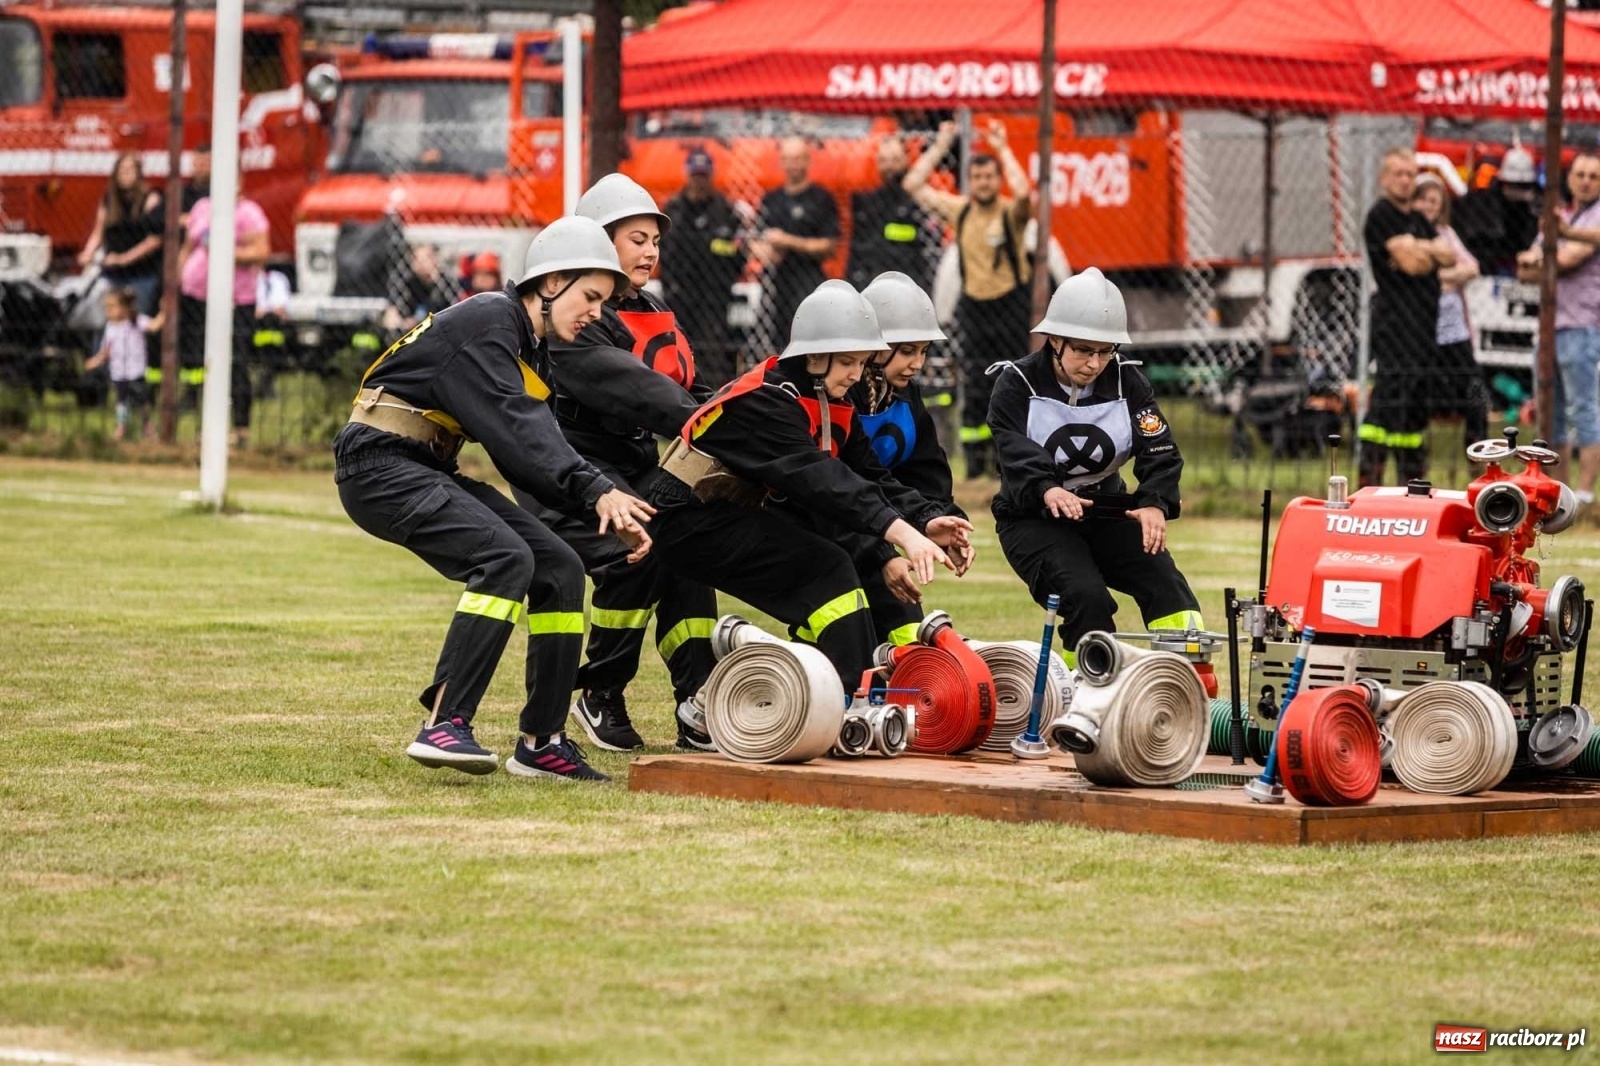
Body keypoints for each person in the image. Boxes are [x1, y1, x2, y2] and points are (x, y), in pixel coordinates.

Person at [333, 215, 656, 783]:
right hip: (379, 465)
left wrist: (597, 510)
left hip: (421, 463)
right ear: (550, 283)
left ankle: (543, 741)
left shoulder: (527, 343)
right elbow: (520, 431)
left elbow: (531, 451)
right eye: (590, 296)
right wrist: (599, 490)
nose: (596, 313)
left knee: (558, 565)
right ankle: (445, 724)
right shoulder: (492, 322)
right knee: (504, 558)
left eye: (604, 302)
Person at [645, 279, 971, 698]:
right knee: (827, 571)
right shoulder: (768, 402)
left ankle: (827, 689)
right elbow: (824, 481)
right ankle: (819, 692)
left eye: (864, 362)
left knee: (832, 572)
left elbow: (870, 476)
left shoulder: (824, 393)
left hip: (729, 511)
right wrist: (901, 534)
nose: (857, 375)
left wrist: (926, 521)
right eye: (850, 362)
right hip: (689, 517)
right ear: (816, 356)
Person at [513, 173, 719, 753]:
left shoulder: (654, 308)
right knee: (638, 548)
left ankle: (698, 699)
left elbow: (691, 387)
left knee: (690, 545)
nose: (651, 251)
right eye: (637, 238)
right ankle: (600, 692)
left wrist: (734, 420)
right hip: (571, 469)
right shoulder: (576, 321)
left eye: (655, 240)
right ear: (599, 245)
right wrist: (719, 429)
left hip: (633, 465)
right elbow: (645, 394)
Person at [988, 268, 1202, 665]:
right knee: (1085, 597)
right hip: (1034, 518)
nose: (1095, 363)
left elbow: (1159, 447)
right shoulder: (1015, 384)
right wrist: (1046, 488)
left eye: (1106, 352)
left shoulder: (1129, 382)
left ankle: (1189, 684)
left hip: (1106, 509)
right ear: (1055, 340)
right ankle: (1083, 695)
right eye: (1084, 350)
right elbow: (1012, 449)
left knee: (1167, 584)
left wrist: (1155, 501)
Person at [904, 119, 1035, 480]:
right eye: (977, 178)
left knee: (1011, 380)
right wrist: (943, 143)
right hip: (974, 307)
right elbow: (913, 185)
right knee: (975, 383)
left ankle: (1007, 458)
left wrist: (1003, 148)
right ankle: (975, 463)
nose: (983, 183)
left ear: (997, 179)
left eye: (989, 177)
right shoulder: (961, 210)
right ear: (970, 182)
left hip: (1009, 304)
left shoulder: (1010, 212)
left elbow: (1026, 194)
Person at [845, 271, 969, 643]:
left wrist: (948, 524)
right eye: (908, 351)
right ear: (875, 346)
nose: (917, 363)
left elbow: (925, 472)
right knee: (845, 623)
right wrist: (882, 555)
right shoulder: (841, 394)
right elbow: (839, 491)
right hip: (831, 532)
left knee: (906, 627)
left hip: (873, 526)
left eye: (923, 351)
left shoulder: (904, 394)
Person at [1358, 147, 1455, 486]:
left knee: (1415, 410)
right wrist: (1424, 253)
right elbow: (1415, 264)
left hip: (1424, 330)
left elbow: (1449, 254)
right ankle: (1369, 483)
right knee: (1387, 402)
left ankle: (1411, 486)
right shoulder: (1381, 216)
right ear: (1384, 178)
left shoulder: (1418, 220)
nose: (1405, 181)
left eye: (1410, 174)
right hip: (1395, 327)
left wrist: (1418, 247)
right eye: (1398, 174)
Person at [1522, 151, 1600, 504]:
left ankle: (1584, 493)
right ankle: (1561, 491)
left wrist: (1552, 248)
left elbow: (1567, 260)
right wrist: (1545, 256)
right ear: (1569, 179)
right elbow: (1525, 267)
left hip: (1582, 325)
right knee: (1550, 410)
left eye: (1594, 176)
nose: (1585, 181)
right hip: (1550, 328)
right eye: (1580, 174)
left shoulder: (1594, 216)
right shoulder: (1566, 215)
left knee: (1583, 408)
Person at [178, 172, 273, 445]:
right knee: (197, 360)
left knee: (236, 361)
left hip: (237, 299)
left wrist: (224, 252)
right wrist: (175, 282)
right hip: (196, 295)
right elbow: (188, 247)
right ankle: (203, 425)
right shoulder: (201, 207)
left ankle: (241, 428)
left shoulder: (249, 213)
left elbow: (261, 252)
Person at [1412, 174, 1489, 445]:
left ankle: (1477, 444)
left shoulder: (1446, 234)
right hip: (1419, 329)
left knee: (1473, 388)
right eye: (1423, 199)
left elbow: (1472, 267)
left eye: (1434, 201)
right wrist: (1441, 276)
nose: (1428, 206)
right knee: (1417, 392)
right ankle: (1415, 448)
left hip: (1453, 329)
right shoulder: (1406, 234)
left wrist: (1440, 276)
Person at [662, 147, 745, 388]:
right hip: (680, 295)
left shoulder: (725, 211)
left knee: (714, 354)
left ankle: (713, 395)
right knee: (678, 348)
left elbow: (738, 254)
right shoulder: (673, 210)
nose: (699, 182)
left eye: (703, 176)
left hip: (714, 297)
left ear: (711, 176)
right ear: (687, 175)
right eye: (695, 175)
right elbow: (663, 253)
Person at [752, 137, 840, 352]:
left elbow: (829, 246)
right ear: (781, 162)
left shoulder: (821, 198)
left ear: (807, 161)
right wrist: (762, 251)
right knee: (776, 343)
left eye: (798, 158)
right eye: (788, 159)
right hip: (776, 283)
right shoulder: (771, 199)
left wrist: (788, 241)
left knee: (807, 341)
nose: (792, 164)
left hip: (807, 283)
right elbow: (755, 237)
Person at [846, 136, 939, 293]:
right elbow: (857, 249)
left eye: (895, 159)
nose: (889, 166)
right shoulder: (866, 202)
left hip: (911, 281)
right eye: (884, 160)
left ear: (906, 161)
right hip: (872, 281)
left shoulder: (919, 202)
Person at [77, 153, 164, 316]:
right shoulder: (109, 199)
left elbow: (154, 240)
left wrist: (123, 259)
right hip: (113, 275)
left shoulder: (151, 198)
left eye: (131, 169)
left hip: (141, 274)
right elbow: (98, 232)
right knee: (106, 319)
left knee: (136, 320)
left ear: (139, 173)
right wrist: (88, 253)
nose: (126, 173)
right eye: (122, 169)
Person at [82, 287, 161, 441]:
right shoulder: (110, 328)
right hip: (118, 372)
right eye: (106, 307)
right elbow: (106, 350)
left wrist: (165, 311)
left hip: (135, 370)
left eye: (112, 306)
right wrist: (96, 361)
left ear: (124, 308)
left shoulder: (136, 321)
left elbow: (154, 326)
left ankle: (147, 427)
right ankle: (121, 427)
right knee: (121, 401)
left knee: (142, 400)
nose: (108, 310)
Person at [1455, 145, 1541, 279]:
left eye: (1521, 185)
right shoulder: (1482, 203)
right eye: (1512, 184)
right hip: (1486, 266)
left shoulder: (1536, 205)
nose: (1516, 190)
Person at [386, 244, 459, 332]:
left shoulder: (446, 282)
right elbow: (392, 313)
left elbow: (452, 313)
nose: (420, 263)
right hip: (408, 331)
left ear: (434, 259)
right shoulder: (405, 281)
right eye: (415, 259)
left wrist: (434, 278)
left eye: (425, 259)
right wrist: (400, 323)